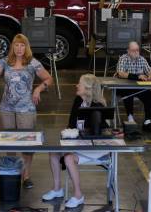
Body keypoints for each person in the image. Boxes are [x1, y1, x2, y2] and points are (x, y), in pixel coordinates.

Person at [0, 33, 53, 189]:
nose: (19, 48)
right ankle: (12, 170)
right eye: (16, 45)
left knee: (27, 143)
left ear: (26, 47)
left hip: (26, 108)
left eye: (22, 45)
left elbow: (48, 79)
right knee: (9, 143)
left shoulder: (33, 63)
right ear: (12, 47)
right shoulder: (5, 62)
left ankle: (26, 175)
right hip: (6, 108)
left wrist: (38, 89)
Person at [42, 74, 108, 208]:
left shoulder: (97, 106)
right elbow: (71, 124)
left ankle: (78, 195)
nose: (76, 86)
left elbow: (97, 133)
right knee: (53, 152)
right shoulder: (78, 100)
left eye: (80, 84)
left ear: (88, 88)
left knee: (68, 158)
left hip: (95, 148)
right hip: (79, 142)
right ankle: (57, 189)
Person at [115, 41, 151, 132]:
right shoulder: (123, 58)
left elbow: (150, 70)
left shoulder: (142, 59)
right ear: (128, 51)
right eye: (133, 50)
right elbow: (121, 73)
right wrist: (137, 76)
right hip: (122, 87)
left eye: (137, 50)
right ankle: (130, 117)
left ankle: (148, 120)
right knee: (128, 92)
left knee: (149, 94)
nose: (136, 52)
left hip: (137, 87)